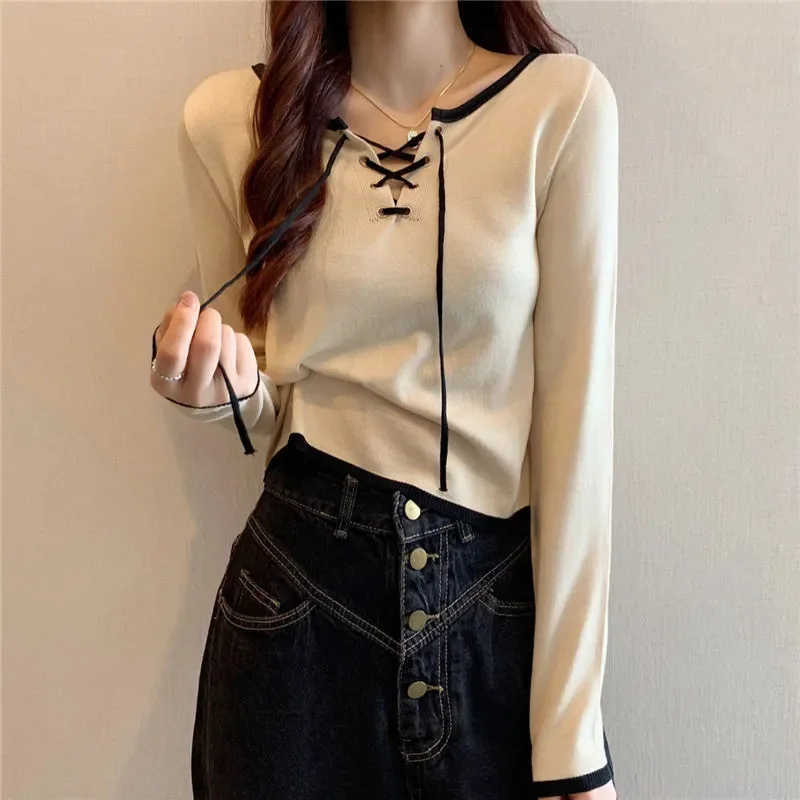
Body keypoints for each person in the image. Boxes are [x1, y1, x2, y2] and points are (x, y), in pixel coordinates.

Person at [150, 1, 619, 798]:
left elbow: (578, 433)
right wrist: (216, 388)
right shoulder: (228, 120)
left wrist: (573, 741)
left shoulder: (561, 105)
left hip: (492, 616)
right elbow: (263, 398)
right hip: (296, 613)